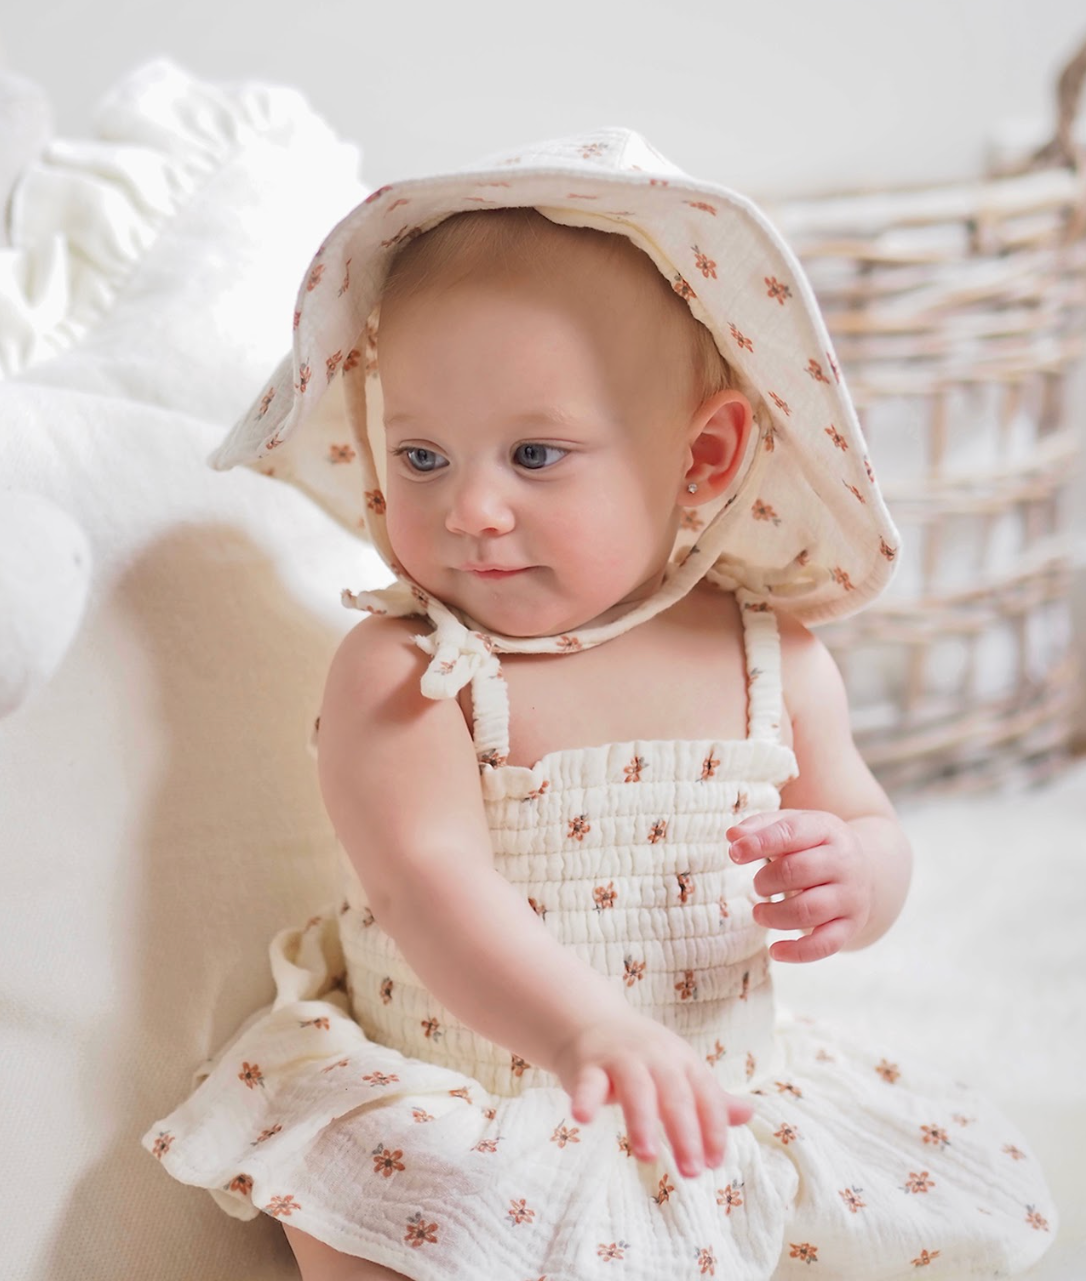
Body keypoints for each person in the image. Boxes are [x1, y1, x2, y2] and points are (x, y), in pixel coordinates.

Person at [142, 128, 1057, 1280]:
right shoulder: (411, 669)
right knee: (391, 1223)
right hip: (464, 1093)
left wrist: (860, 876)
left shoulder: (769, 657)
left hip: (704, 1094)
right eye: (423, 458)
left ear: (705, 456)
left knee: (844, 1235)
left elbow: (868, 820)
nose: (471, 507)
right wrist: (585, 1031)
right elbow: (427, 881)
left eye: (534, 454)